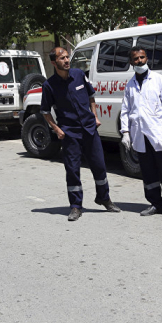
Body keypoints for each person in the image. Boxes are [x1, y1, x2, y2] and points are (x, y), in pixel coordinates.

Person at [40, 47, 120, 221]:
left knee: (99, 166)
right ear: (54, 62)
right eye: (62, 58)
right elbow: (45, 111)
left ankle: (104, 198)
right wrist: (57, 129)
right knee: (73, 170)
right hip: (70, 133)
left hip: (89, 129)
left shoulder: (78, 75)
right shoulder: (49, 85)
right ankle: (76, 206)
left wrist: (95, 116)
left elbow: (91, 96)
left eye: (68, 57)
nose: (67, 60)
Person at [120, 46, 162, 220]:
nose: (140, 61)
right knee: (148, 172)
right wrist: (125, 132)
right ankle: (155, 203)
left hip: (160, 134)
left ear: (147, 59)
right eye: (136, 59)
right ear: (131, 62)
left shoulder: (159, 80)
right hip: (140, 135)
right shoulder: (130, 85)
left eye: (142, 57)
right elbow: (125, 110)